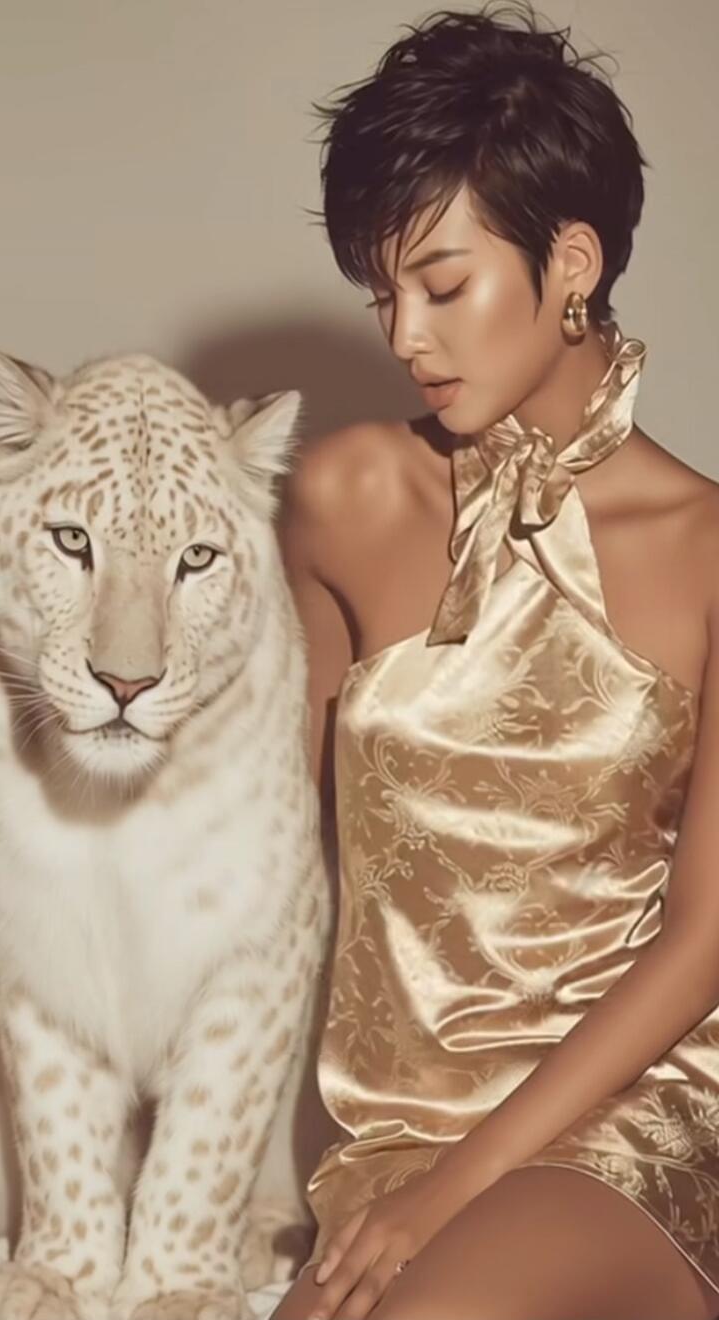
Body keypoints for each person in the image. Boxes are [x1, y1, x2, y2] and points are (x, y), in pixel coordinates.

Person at [271, 4, 719, 1317]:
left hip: (630, 1135)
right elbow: (261, 857)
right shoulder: (347, 499)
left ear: (570, 261)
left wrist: (456, 1191)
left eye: (444, 284)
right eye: (383, 292)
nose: (405, 336)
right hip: (394, 1138)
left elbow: (706, 943)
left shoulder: (707, 550)